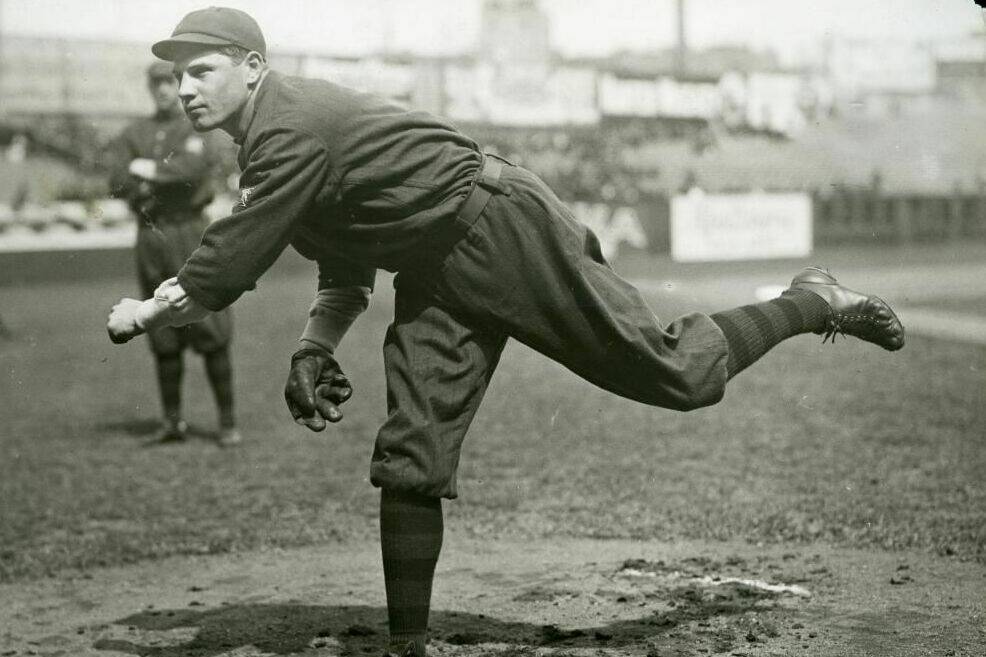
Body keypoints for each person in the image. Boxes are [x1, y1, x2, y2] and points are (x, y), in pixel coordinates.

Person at [106, 8, 904, 656]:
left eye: (201, 68)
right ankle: (405, 645)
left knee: (679, 373)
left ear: (252, 66)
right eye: (177, 74)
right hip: (435, 267)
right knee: (410, 453)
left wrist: (148, 309)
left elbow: (228, 258)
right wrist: (317, 344)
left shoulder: (292, 120)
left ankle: (810, 298)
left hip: (498, 226)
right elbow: (344, 271)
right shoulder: (272, 144)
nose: (184, 88)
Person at [108, 60, 241, 446]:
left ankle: (228, 422)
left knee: (210, 322)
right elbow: (117, 180)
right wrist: (157, 176)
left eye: (170, 82)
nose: (164, 90)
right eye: (157, 84)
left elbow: (192, 170)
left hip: (190, 230)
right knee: (158, 325)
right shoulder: (135, 131)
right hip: (153, 233)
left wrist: (145, 169)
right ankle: (172, 421)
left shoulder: (197, 125)